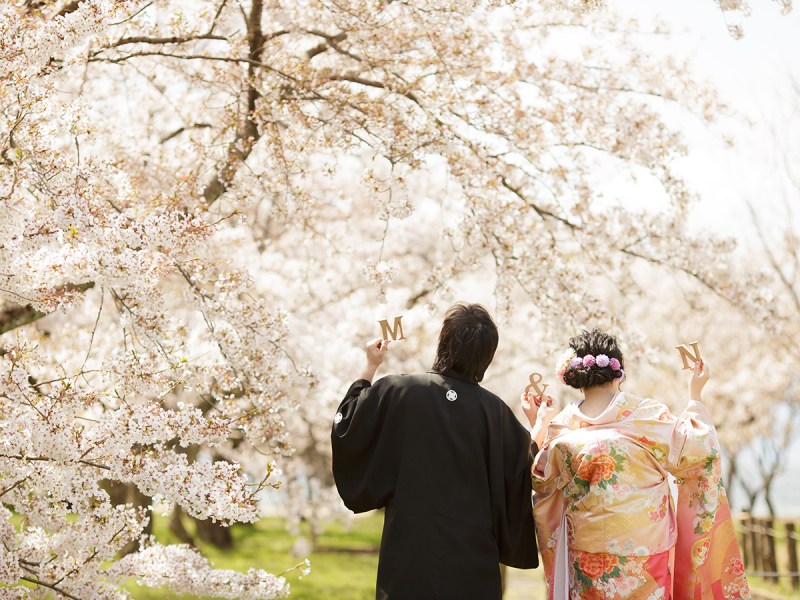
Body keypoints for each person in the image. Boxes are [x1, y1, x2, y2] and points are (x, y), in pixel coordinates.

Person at [331, 302, 539, 600]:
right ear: (487, 356)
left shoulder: (398, 390)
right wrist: (538, 427)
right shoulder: (496, 413)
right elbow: (524, 473)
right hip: (473, 562)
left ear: (444, 342)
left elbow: (348, 428)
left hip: (409, 555)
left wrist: (370, 366)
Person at [524, 329, 749, 600]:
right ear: (618, 373)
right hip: (645, 554)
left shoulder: (561, 429)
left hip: (584, 557)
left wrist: (538, 425)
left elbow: (540, 479)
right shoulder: (645, 417)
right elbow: (699, 449)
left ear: (577, 379)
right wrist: (695, 395)